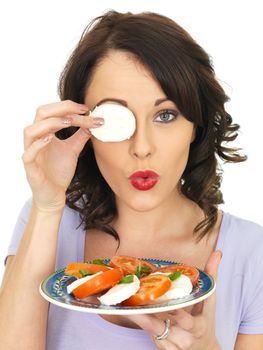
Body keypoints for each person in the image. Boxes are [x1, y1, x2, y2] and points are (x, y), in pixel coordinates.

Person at [0, 9, 263, 350]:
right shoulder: (48, 222)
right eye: (115, 119)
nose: (141, 148)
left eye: (165, 115)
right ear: (82, 127)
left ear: (195, 125)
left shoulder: (252, 252)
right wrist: (47, 203)